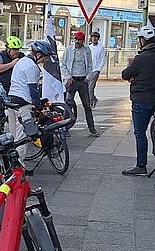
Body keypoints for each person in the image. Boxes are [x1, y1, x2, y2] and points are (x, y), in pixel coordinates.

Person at [121, 25, 155, 176]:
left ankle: (141, 166)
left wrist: (131, 67)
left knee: (139, 133)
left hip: (140, 99)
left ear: (143, 41)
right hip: (154, 98)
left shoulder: (140, 58)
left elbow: (125, 74)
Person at [8, 39, 52, 168]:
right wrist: (38, 106)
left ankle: (11, 165)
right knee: (23, 139)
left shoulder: (21, 62)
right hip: (23, 105)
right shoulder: (32, 67)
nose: (44, 60)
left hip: (12, 101)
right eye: (44, 57)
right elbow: (33, 90)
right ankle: (18, 169)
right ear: (38, 54)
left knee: (13, 136)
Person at [60, 31, 98, 136]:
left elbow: (90, 65)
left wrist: (88, 77)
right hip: (72, 81)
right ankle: (65, 128)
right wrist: (68, 77)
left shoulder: (87, 50)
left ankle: (92, 128)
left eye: (79, 40)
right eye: (76, 39)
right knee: (68, 104)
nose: (77, 42)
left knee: (87, 105)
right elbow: (63, 65)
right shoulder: (69, 50)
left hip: (82, 81)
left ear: (83, 40)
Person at [86, 31, 106, 106]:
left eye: (96, 37)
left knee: (90, 87)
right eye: (93, 37)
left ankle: (90, 103)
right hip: (88, 70)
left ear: (98, 38)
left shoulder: (101, 48)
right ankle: (94, 99)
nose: (94, 38)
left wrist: (98, 70)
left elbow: (102, 59)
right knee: (87, 87)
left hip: (95, 70)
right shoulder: (88, 47)